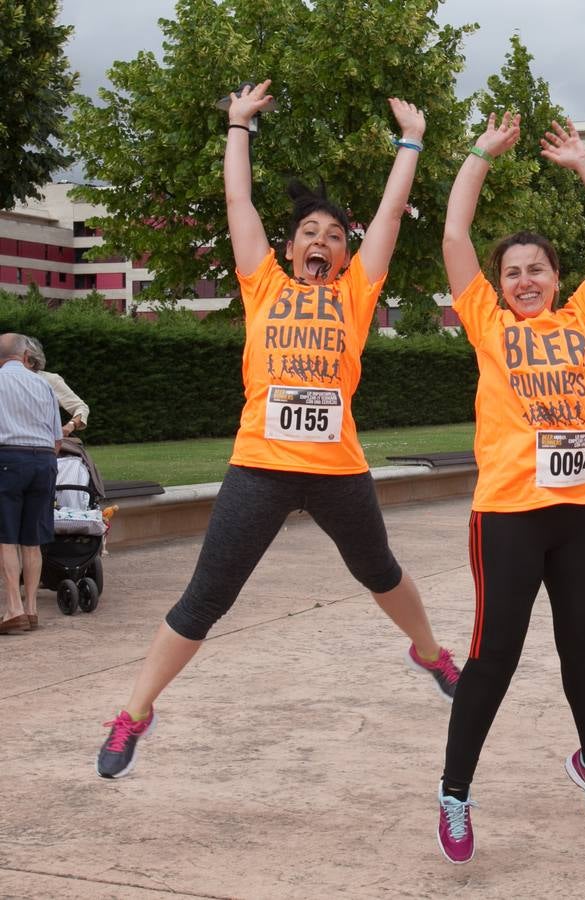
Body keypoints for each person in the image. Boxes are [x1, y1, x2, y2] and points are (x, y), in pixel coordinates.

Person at [94, 81, 460, 779]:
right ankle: (134, 713)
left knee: (378, 571)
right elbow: (238, 204)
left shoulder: (355, 295)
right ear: (291, 249)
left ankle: (431, 653)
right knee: (206, 598)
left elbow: (386, 216)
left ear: (346, 258)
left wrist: (409, 142)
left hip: (337, 470)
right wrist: (238, 125)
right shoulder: (263, 285)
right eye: (308, 234)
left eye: (333, 237)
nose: (321, 241)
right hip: (260, 466)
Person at [434, 112, 585, 863]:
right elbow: (456, 237)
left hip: (580, 516)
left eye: (537, 269)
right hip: (510, 518)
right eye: (513, 270)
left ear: (556, 279)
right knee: (494, 658)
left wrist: (584, 161)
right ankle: (455, 793)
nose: (524, 279)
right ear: (500, 285)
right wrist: (479, 155)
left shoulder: (583, 320)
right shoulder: (487, 323)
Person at [0, 333, 62, 634]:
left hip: (8, 459)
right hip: (44, 462)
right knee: (32, 540)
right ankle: (32, 609)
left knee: (6, 537)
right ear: (25, 355)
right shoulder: (43, 384)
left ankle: (13, 609)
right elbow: (57, 439)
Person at [24, 337, 90, 438]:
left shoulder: (49, 379)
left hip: (43, 442)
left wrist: (70, 426)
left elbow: (81, 407)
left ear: (32, 360)